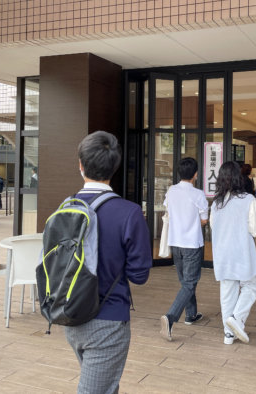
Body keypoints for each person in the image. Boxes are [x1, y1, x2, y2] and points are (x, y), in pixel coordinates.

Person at [65, 131, 151, 394]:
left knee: (105, 386)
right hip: (108, 321)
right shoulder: (129, 213)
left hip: (69, 314)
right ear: (115, 167)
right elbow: (139, 275)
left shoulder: (66, 206)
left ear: (80, 165)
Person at [211, 161, 256, 345]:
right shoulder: (248, 200)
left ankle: (228, 334)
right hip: (242, 251)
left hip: (222, 252)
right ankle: (237, 318)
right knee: (251, 285)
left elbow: (213, 226)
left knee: (227, 292)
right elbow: (255, 228)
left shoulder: (216, 203)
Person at [160, 157, 209, 341]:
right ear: (195, 174)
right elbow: (204, 220)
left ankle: (191, 314)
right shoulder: (198, 194)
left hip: (175, 242)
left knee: (185, 281)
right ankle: (170, 317)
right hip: (192, 243)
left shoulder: (171, 191)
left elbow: (168, 210)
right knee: (189, 282)